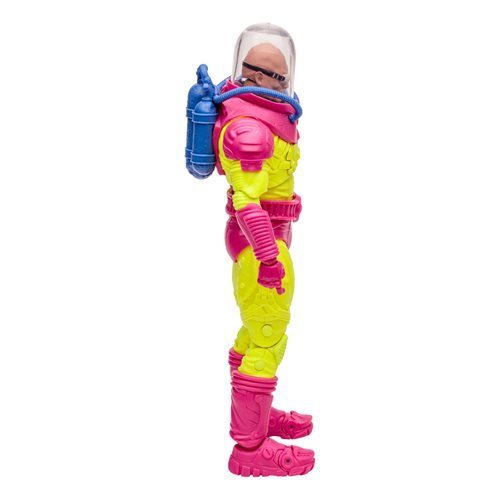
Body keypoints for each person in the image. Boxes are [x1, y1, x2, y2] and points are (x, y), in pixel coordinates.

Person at [212, 23, 315, 476]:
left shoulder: (261, 117)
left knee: (254, 332)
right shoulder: (249, 127)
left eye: (284, 76)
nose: (282, 84)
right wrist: (270, 260)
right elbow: (247, 202)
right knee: (269, 336)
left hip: (265, 242)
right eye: (277, 76)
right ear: (256, 75)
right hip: (261, 247)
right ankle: (250, 448)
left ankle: (255, 413)